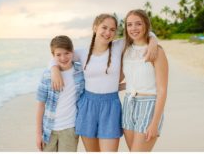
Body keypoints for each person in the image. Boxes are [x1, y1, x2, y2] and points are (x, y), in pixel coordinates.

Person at [50, 13, 158, 152]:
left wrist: (154, 41)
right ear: (95, 27)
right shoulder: (82, 53)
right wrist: (54, 69)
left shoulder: (118, 46)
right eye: (104, 27)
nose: (108, 33)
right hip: (87, 106)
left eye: (112, 29)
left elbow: (143, 34)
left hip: (111, 107)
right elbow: (59, 56)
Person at [121, 9, 168, 151]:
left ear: (146, 25)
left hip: (149, 105)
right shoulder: (125, 49)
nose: (133, 28)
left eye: (138, 24)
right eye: (129, 25)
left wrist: (155, 123)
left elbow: (162, 89)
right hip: (128, 104)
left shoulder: (156, 51)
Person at [36, 35, 85, 152]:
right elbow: (40, 105)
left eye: (67, 53)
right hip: (48, 129)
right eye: (58, 54)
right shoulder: (47, 75)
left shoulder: (80, 71)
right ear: (53, 56)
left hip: (70, 129)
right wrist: (38, 134)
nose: (63, 57)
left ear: (72, 52)